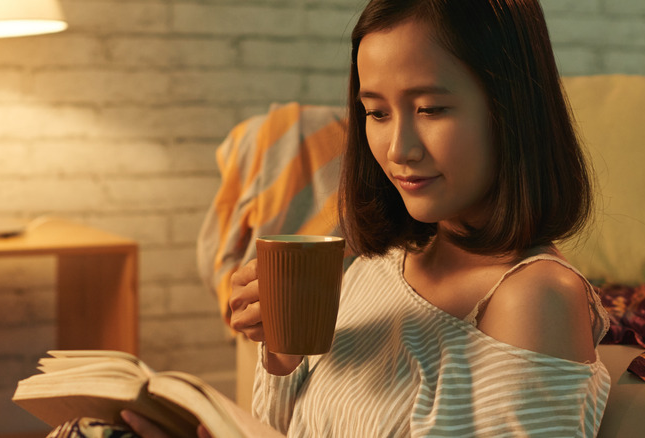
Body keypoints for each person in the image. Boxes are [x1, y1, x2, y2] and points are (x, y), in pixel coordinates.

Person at [229, 0, 610, 436]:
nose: (397, 150)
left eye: (430, 108)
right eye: (376, 112)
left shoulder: (535, 298)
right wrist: (282, 353)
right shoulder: (373, 268)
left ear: (511, 110)